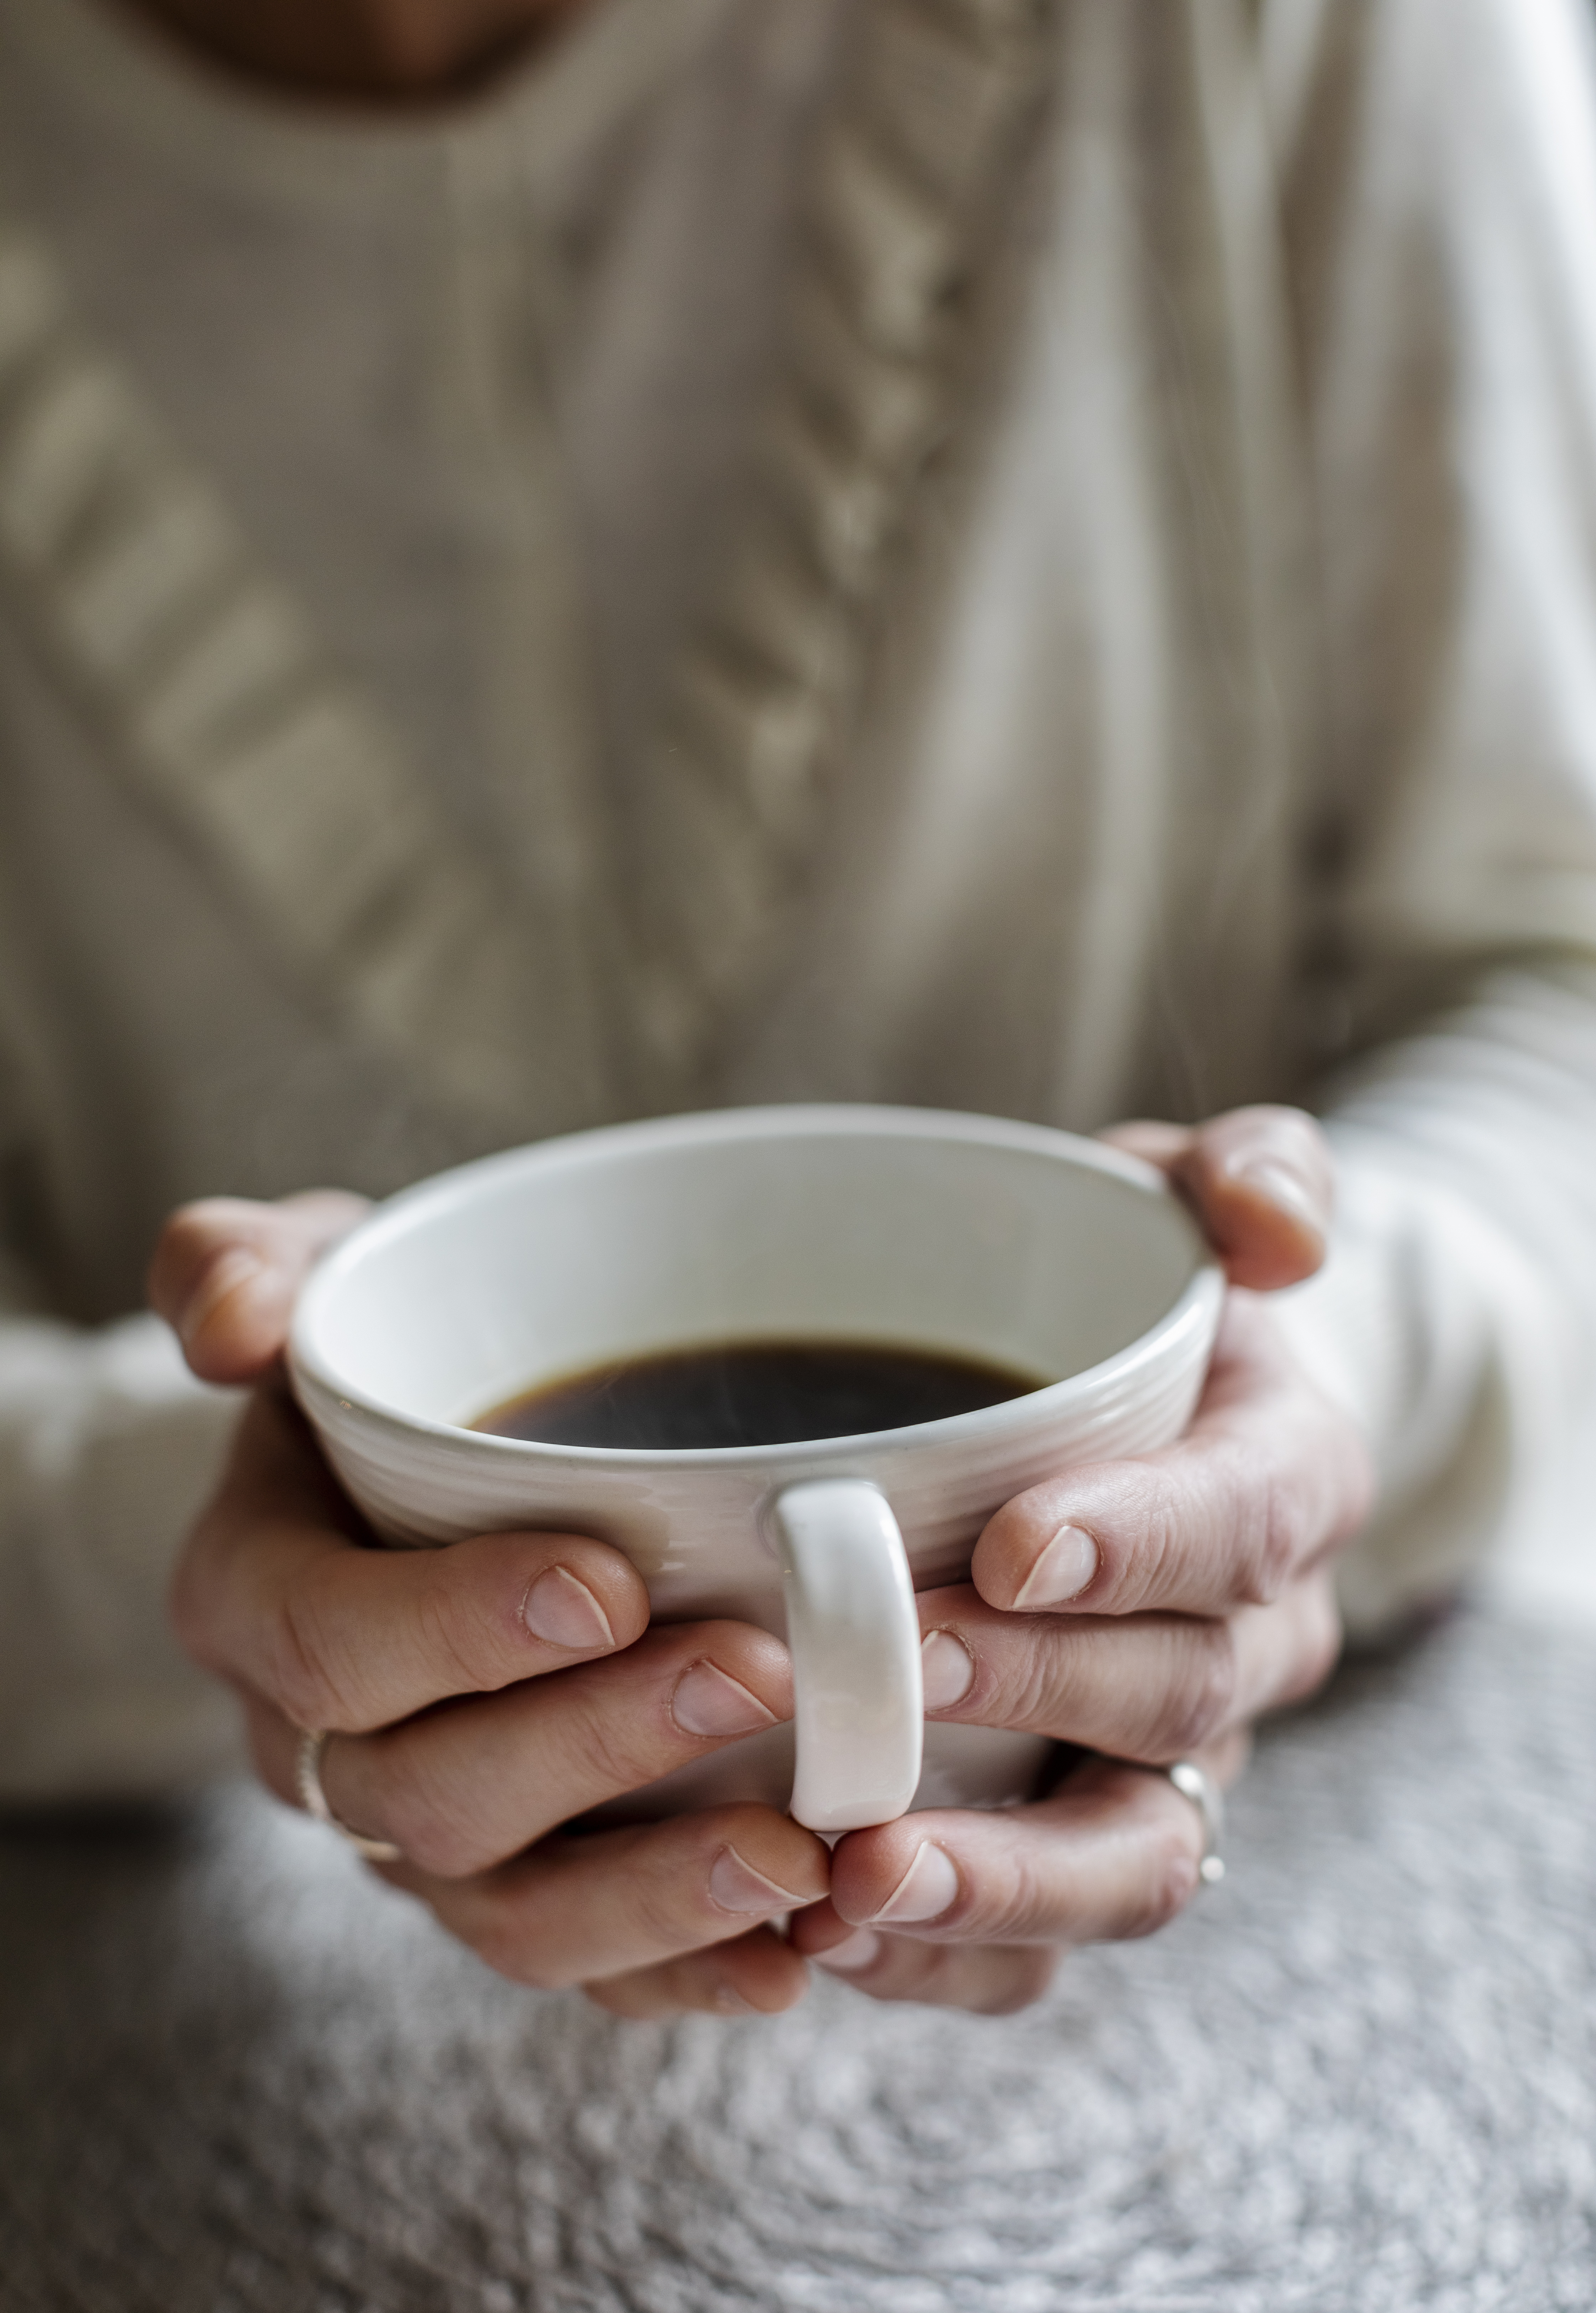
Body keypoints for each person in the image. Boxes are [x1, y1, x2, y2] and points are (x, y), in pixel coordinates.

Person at [1, 0, 1594, 2017]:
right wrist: (244, 1542)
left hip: (1351, 1932)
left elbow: (1554, 978)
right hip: (205, 2008)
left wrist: (1310, 1389)